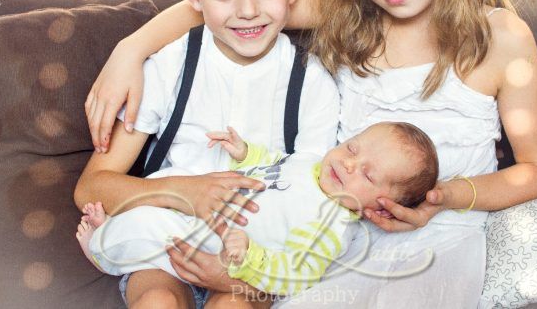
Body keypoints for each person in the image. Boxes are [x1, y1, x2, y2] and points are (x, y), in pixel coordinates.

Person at [84, 0, 537, 307]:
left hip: (441, 240)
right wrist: (131, 50)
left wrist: (446, 196)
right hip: (336, 241)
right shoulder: (346, 12)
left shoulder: (501, 39)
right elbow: (226, 6)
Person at [74, 0, 342, 309]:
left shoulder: (312, 84)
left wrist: (246, 275)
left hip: (254, 260)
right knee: (157, 301)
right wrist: (184, 192)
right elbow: (92, 187)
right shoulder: (167, 67)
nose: (248, 9)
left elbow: (315, 208)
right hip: (163, 255)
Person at [76, 121, 438, 301]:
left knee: (153, 232)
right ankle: (114, 234)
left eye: (367, 174)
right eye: (352, 149)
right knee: (162, 199)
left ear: (380, 208)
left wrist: (249, 260)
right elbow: (276, 164)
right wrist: (245, 152)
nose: (348, 164)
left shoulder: (331, 224)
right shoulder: (311, 163)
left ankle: (103, 249)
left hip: (224, 257)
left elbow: (299, 273)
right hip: (205, 218)